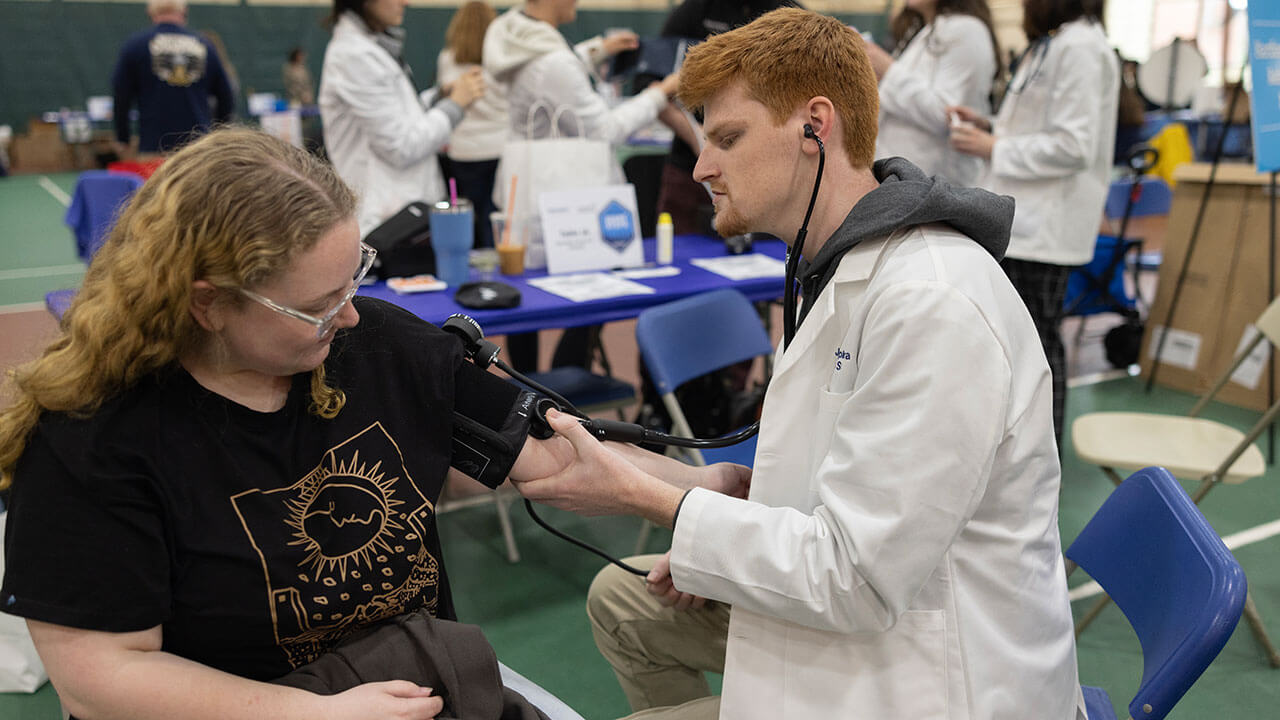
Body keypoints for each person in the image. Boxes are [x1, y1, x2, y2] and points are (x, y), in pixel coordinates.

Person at [513, 8, 1084, 719]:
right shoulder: (831, 265)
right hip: (872, 611)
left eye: (727, 137)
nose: (701, 166)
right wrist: (716, 489)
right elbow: (845, 465)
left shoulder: (931, 301)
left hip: (927, 673)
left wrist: (651, 499)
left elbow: (855, 579)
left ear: (816, 125)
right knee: (627, 604)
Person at [0, 127, 573, 720]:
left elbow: (565, 453)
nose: (348, 315)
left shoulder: (378, 345)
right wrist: (316, 713)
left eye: (354, 278)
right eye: (318, 305)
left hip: (413, 681)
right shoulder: (90, 438)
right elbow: (100, 681)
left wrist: (677, 511)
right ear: (209, 303)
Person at [949, 0, 1118, 450]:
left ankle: (1043, 458)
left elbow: (1072, 145)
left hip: (1045, 230)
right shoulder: (1056, 44)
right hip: (1027, 225)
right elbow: (1040, 125)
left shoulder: (1080, 47)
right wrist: (990, 126)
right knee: (1021, 347)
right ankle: (1021, 453)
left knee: (1037, 350)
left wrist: (993, 147)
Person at [483, 0, 679, 371]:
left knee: (526, 290)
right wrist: (660, 93)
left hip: (522, 190)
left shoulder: (509, 32)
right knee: (591, 289)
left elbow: (552, 68)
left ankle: (531, 384)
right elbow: (605, 129)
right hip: (564, 203)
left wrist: (597, 51)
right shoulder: (553, 63)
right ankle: (561, 387)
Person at [319, 0, 486, 236]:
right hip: (385, 224)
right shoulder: (354, 55)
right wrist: (455, 105)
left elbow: (401, 119)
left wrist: (439, 97)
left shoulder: (370, 48)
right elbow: (401, 147)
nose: (406, 2)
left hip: (405, 217)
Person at [650, 0, 802, 236]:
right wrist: (698, 138)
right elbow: (651, 87)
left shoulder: (791, 12)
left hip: (767, 174)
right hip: (687, 169)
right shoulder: (694, 10)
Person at [862, 0, 1000, 187]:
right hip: (903, 181)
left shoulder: (968, 30)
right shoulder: (926, 30)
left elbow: (947, 114)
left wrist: (888, 70)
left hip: (932, 186)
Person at [111, 0, 235, 155]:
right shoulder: (205, 45)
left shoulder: (135, 46)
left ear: (151, 13)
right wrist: (219, 137)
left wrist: (123, 138)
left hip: (154, 146)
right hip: (198, 148)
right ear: (184, 11)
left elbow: (121, 96)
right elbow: (226, 95)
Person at [438, 1, 503, 248]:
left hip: (463, 151)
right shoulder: (501, 63)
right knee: (493, 218)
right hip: (497, 149)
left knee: (465, 218)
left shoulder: (447, 59)